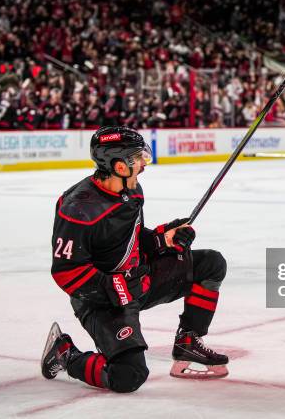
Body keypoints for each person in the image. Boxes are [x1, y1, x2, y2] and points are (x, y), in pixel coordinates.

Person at [42, 126, 229, 393]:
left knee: (211, 264)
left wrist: (164, 238)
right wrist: (115, 288)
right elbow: (67, 272)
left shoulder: (132, 190)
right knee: (128, 376)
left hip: (137, 282)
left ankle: (187, 342)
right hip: (101, 302)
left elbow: (132, 239)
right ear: (119, 166)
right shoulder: (79, 208)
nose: (144, 164)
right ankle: (64, 353)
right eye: (138, 158)